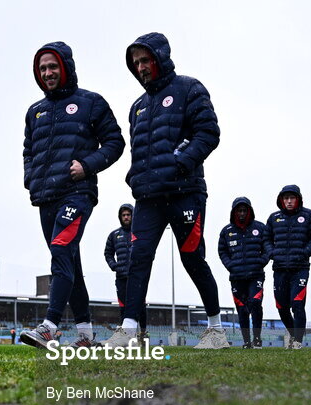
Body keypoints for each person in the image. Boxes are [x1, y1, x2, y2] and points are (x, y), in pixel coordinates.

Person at [105, 32, 226, 349]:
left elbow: (209, 132)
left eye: (145, 60)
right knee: (137, 260)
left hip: (185, 192)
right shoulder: (137, 107)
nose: (141, 67)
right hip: (148, 198)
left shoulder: (189, 88)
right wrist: (134, 178)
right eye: (136, 63)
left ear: (160, 57)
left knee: (193, 260)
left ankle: (216, 331)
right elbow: (139, 152)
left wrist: (183, 162)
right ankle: (129, 329)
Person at [20, 42, 125, 349]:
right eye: (42, 69)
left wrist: (88, 165)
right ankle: (85, 335)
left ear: (65, 67)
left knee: (61, 250)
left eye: (53, 66)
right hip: (45, 196)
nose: (48, 73)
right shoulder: (34, 112)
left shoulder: (90, 103)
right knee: (70, 263)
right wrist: (30, 178)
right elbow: (28, 150)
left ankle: (49, 326)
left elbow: (115, 143)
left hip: (77, 193)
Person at [266, 184, 311, 350]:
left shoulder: (309, 216)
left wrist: (305, 252)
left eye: (292, 198)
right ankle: (292, 333)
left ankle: (298, 341)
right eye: (286, 198)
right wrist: (272, 253)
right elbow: (266, 239)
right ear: (281, 200)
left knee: (297, 304)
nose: (289, 201)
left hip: (300, 268)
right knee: (281, 306)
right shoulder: (274, 218)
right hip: (280, 268)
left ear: (298, 199)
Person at [218, 196, 269, 348]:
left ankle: (257, 338)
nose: (241, 213)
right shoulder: (226, 231)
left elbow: (268, 246)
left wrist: (262, 261)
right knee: (242, 309)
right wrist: (230, 265)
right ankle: (247, 342)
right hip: (236, 276)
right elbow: (222, 251)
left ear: (249, 211)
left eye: (244, 210)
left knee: (255, 303)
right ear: (234, 212)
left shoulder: (260, 228)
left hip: (256, 275)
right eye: (239, 210)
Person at [104, 203, 148, 339]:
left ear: (133, 216)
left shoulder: (139, 233)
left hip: (136, 277)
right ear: (120, 217)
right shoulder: (114, 235)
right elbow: (108, 253)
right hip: (121, 277)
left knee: (140, 305)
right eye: (123, 215)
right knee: (123, 306)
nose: (126, 217)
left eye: (128, 214)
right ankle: (126, 335)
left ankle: (143, 333)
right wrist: (114, 266)